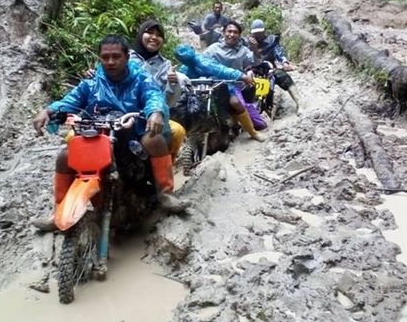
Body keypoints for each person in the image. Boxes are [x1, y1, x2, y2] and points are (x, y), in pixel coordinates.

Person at [32, 35, 189, 228]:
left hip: (133, 133)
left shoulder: (140, 78)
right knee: (65, 157)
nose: (110, 61)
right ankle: (59, 211)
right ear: (100, 58)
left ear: (126, 57)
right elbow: (70, 101)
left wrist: (155, 112)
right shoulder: (91, 82)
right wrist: (48, 110)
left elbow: (153, 95)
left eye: (116, 56)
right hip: (101, 134)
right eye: (105, 57)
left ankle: (166, 194)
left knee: (154, 140)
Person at [186, 22, 266, 142]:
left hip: (234, 84)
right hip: (214, 84)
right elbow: (201, 62)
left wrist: (254, 49)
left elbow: (255, 62)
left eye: (235, 32)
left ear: (239, 35)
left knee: (235, 102)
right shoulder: (213, 48)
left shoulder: (243, 50)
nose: (231, 34)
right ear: (224, 33)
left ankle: (253, 132)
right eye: (229, 31)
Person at [129, 20, 187, 158]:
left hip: (151, 114)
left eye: (158, 35)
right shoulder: (124, 56)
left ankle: (166, 172)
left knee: (177, 132)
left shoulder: (165, 65)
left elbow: (168, 102)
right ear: (140, 34)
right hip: (119, 112)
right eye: (149, 32)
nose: (154, 37)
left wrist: (172, 85)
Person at [246, 19, 302, 111]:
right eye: (255, 33)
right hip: (251, 69)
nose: (258, 35)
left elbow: (278, 52)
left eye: (260, 33)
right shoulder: (246, 43)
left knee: (283, 76)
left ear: (264, 31)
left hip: (269, 69)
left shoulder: (272, 40)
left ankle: (299, 103)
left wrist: (284, 62)